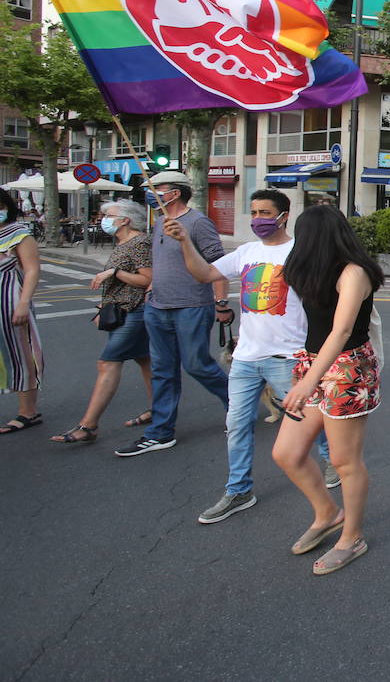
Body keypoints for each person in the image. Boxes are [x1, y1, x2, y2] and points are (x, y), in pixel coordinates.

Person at [168, 189, 335, 524]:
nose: (258, 219)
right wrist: (185, 241)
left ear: (283, 216)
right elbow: (204, 274)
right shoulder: (246, 252)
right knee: (237, 424)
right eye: (254, 212)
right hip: (245, 359)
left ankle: (331, 458)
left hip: (288, 357)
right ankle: (239, 489)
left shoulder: (300, 253)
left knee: (307, 420)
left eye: (264, 213)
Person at [274, 205, 384, 575]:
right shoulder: (314, 271)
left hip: (348, 369)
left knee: (344, 461)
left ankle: (351, 537)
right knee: (286, 453)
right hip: (313, 362)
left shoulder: (354, 272)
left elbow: (340, 332)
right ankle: (327, 513)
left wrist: (308, 381)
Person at [115, 171, 232, 456]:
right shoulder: (158, 224)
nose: (150, 194)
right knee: (162, 371)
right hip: (158, 307)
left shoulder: (198, 222)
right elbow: (162, 262)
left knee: (197, 365)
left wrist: (221, 302)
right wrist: (152, 288)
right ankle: (160, 432)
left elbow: (220, 265)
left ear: (175, 192)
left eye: (156, 189)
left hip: (191, 306)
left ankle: (239, 404)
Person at [49, 200, 153, 445]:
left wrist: (115, 273)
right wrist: (102, 307)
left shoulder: (139, 242)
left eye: (109, 215)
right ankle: (159, 410)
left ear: (125, 219)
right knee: (145, 360)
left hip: (134, 312)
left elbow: (147, 280)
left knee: (107, 363)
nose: (103, 219)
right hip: (121, 310)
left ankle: (89, 425)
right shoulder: (123, 243)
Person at [0, 189, 42, 435]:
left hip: (10, 299)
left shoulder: (18, 234)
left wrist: (24, 303)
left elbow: (32, 270)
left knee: (20, 353)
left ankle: (28, 411)